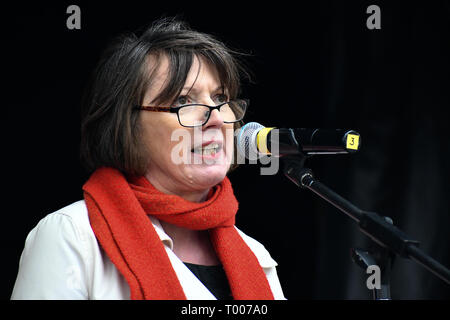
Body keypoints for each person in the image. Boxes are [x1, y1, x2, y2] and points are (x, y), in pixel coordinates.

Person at [11, 18, 285, 300]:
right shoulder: (71, 235)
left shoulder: (255, 254)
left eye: (221, 97)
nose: (215, 117)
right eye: (183, 101)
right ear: (128, 126)